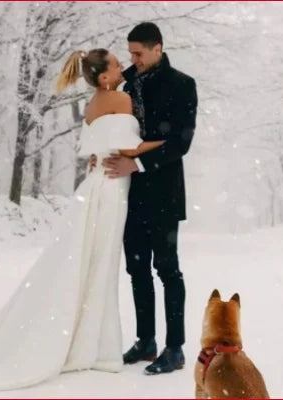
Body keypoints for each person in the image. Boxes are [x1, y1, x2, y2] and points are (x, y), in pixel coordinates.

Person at [0, 48, 165, 393]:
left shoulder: (96, 102)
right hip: (110, 191)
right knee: (100, 265)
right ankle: (92, 346)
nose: (122, 65)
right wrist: (169, 141)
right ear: (105, 76)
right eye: (115, 64)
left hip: (97, 185)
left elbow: (95, 147)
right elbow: (131, 148)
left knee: (88, 263)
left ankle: (87, 340)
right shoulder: (118, 100)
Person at [102, 22, 198, 375]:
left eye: (138, 53)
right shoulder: (129, 83)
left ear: (158, 48)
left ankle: (175, 349)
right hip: (131, 193)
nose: (133, 59)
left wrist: (138, 162)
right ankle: (146, 341)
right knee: (136, 269)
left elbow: (181, 142)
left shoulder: (183, 85)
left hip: (164, 192)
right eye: (130, 53)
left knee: (168, 270)